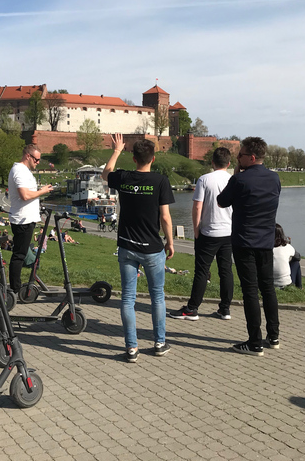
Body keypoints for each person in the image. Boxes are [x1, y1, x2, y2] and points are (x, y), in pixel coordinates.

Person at [102, 133, 175, 362]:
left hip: (127, 246)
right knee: (157, 297)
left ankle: (132, 348)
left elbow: (106, 174)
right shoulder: (161, 181)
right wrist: (170, 242)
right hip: (153, 248)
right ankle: (160, 343)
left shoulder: (123, 177)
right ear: (153, 158)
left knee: (127, 299)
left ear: (133, 158)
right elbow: (165, 217)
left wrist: (116, 151)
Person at [217, 136, 281, 356]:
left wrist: (236, 175)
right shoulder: (275, 179)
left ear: (251, 157)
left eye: (241, 154)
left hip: (244, 242)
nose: (237, 157)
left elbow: (222, 201)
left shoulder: (240, 181)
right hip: (266, 241)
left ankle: (254, 342)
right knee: (268, 288)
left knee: (250, 292)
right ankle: (273, 336)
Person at [169, 147, 233, 321]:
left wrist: (196, 228)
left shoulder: (204, 180)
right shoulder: (234, 180)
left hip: (209, 232)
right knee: (226, 270)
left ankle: (192, 308)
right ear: (228, 164)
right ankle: (225, 309)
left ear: (212, 162)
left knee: (202, 271)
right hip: (228, 232)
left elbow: (197, 206)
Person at [8, 145, 53, 297]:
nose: (38, 162)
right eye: (36, 159)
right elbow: (24, 195)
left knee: (21, 254)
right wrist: (43, 191)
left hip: (27, 218)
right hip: (22, 220)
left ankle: (16, 287)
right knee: (19, 255)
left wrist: (41, 190)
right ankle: (14, 289)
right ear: (28, 156)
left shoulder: (25, 171)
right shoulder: (19, 171)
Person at [272, 224, 296, 289]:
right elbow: (297, 256)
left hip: (266, 281)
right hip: (285, 282)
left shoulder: (265, 248)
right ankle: (299, 286)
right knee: (296, 262)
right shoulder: (287, 247)